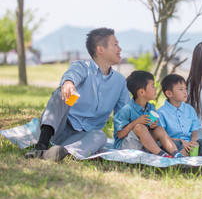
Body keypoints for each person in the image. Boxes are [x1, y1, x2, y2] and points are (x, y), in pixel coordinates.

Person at [25, 27, 130, 161]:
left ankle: (61, 153)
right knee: (60, 94)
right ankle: (41, 146)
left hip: (82, 137)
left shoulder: (120, 82)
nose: (120, 49)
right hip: (57, 128)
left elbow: (123, 118)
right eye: (115, 45)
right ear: (100, 49)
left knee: (101, 136)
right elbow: (72, 74)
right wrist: (68, 83)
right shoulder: (82, 67)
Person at [113, 70, 184, 158]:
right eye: (152, 86)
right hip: (127, 146)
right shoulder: (127, 109)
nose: (155, 89)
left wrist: (153, 125)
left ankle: (176, 153)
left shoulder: (151, 107)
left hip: (145, 145)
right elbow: (119, 134)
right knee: (140, 127)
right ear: (142, 92)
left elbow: (155, 129)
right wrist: (135, 122)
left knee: (159, 129)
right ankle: (162, 154)